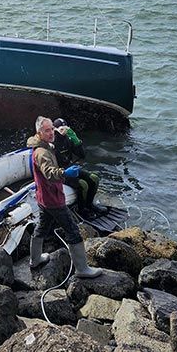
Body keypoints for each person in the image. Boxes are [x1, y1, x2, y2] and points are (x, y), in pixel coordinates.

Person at [25, 116, 101, 278]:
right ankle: (82, 269)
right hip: (53, 198)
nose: (51, 132)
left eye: (52, 129)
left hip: (43, 197)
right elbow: (50, 173)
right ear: (39, 132)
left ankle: (35, 259)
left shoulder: (43, 146)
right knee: (73, 230)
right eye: (47, 130)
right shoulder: (42, 152)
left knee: (42, 227)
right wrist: (64, 173)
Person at [53, 118, 102, 217]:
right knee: (83, 184)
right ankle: (82, 210)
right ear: (55, 130)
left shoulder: (67, 139)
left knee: (94, 178)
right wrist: (63, 172)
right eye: (61, 130)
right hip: (61, 172)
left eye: (66, 129)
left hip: (71, 168)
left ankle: (89, 205)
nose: (64, 132)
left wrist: (77, 141)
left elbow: (82, 155)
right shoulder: (53, 143)